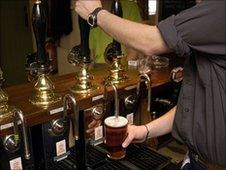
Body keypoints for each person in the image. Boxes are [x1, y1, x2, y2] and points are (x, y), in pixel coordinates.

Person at [75, 0, 226, 169]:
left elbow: (150, 41)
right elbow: (195, 107)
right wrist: (145, 130)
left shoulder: (220, 8)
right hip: (194, 161)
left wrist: (97, 14)